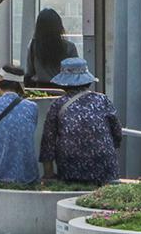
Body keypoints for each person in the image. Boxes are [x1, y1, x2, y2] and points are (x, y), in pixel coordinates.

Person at [39, 57, 122, 185]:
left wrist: (48, 173)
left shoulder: (58, 104)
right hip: (104, 161)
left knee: (72, 196)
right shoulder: (102, 100)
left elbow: (48, 141)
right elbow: (116, 131)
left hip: (71, 164)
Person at [24, 8, 80, 88]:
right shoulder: (69, 47)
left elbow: (30, 72)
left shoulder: (33, 45)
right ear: (59, 26)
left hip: (40, 90)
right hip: (64, 90)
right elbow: (76, 74)